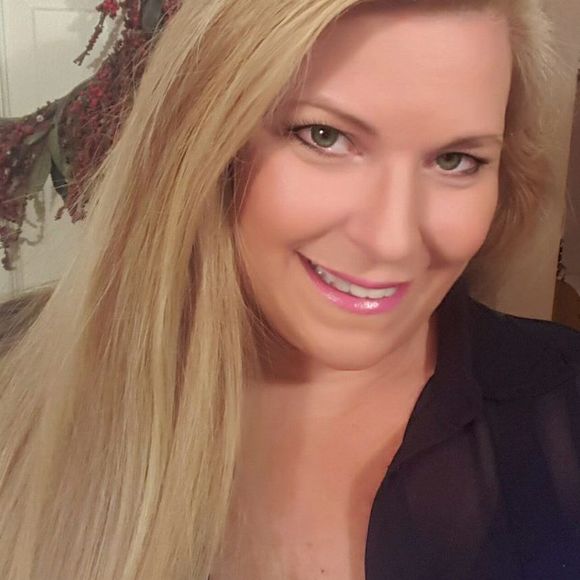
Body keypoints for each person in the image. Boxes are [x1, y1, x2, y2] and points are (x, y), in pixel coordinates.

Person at [0, 0, 578, 578]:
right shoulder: (16, 379)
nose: (393, 241)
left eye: (454, 160)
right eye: (325, 136)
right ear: (204, 140)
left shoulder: (563, 409)